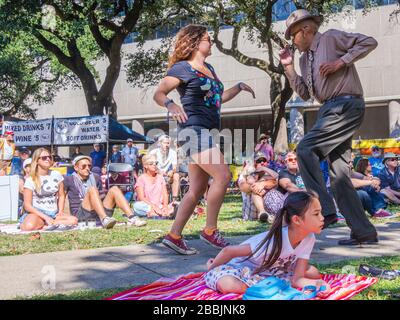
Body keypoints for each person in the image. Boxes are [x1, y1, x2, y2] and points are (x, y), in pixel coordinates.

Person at [153, 24, 255, 255]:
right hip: (193, 130)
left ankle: (174, 236)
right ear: (195, 42)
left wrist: (238, 87)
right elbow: (159, 93)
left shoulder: (208, 68)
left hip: (206, 131)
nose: (212, 43)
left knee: (197, 189)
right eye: (208, 39)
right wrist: (171, 104)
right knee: (223, 175)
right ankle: (210, 231)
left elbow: (217, 99)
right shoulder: (182, 68)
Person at [279, 9, 378, 245]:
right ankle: (363, 231)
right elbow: (305, 93)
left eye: (293, 36)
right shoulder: (304, 59)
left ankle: (324, 208)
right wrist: (289, 67)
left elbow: (369, 42)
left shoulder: (330, 38)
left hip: (345, 104)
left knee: (305, 150)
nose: (292, 41)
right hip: (329, 108)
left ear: (305, 30)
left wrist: (340, 62)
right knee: (340, 176)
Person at [205, 191, 329, 294]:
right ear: (297, 220)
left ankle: (269, 285)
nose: (322, 217)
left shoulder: (309, 238)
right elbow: (229, 251)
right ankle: (269, 286)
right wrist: (211, 268)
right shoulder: (274, 240)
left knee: (314, 273)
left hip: (270, 272)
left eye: (321, 212)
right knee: (229, 285)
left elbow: (298, 279)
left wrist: (318, 283)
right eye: (316, 214)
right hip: (239, 269)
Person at [63, 155, 146, 229]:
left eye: (89, 166)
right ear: (76, 168)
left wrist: (104, 195)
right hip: (81, 214)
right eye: (83, 166)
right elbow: (62, 196)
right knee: (92, 189)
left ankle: (132, 217)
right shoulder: (69, 179)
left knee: (114, 189)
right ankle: (104, 219)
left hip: (98, 211)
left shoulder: (95, 177)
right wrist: (63, 214)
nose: (87, 168)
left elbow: (100, 194)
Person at [20, 148, 77, 231]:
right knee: (29, 226)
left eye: (50, 157)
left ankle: (47, 224)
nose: (48, 159)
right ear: (36, 160)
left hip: (53, 213)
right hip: (37, 213)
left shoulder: (56, 174)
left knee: (74, 220)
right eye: (44, 158)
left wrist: (60, 211)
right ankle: (45, 223)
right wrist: (45, 217)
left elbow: (61, 195)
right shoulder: (31, 179)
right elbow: (27, 205)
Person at [133, 154, 174, 218]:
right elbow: (141, 198)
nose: (154, 165)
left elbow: (165, 194)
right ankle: (157, 212)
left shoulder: (160, 178)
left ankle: (157, 213)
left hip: (160, 206)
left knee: (177, 204)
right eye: (151, 163)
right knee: (136, 206)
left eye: (156, 163)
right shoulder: (141, 178)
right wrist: (153, 207)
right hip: (147, 206)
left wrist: (165, 206)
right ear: (145, 166)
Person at [150, 135, 180, 202]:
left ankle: (174, 200)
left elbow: (175, 167)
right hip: (155, 173)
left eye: (168, 143)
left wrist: (172, 171)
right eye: (165, 143)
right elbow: (150, 166)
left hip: (167, 174)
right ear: (160, 143)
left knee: (176, 175)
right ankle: (158, 199)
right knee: (158, 176)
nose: (167, 145)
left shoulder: (173, 153)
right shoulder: (153, 152)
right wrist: (158, 171)